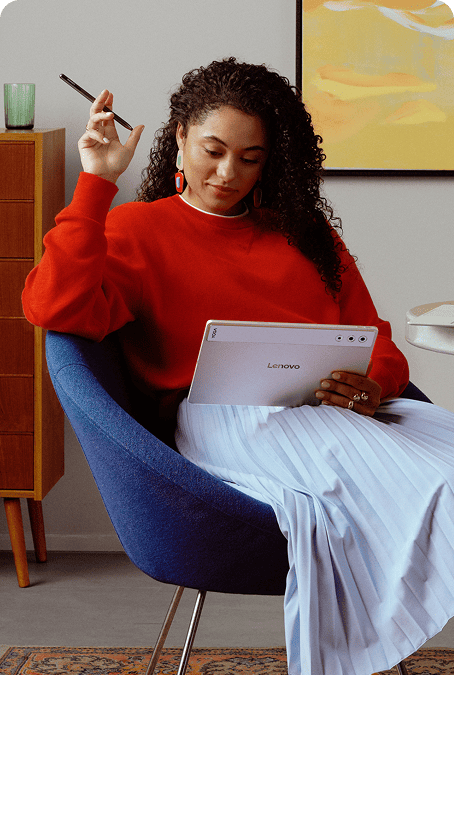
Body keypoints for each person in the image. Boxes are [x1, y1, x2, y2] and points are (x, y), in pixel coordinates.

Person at [22, 58, 454, 675]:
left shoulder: (305, 236)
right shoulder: (138, 231)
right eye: (213, 150)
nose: (228, 173)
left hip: (332, 418)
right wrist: (95, 183)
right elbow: (50, 307)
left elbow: (377, 342)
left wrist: (371, 384)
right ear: (178, 136)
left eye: (250, 159)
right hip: (225, 427)